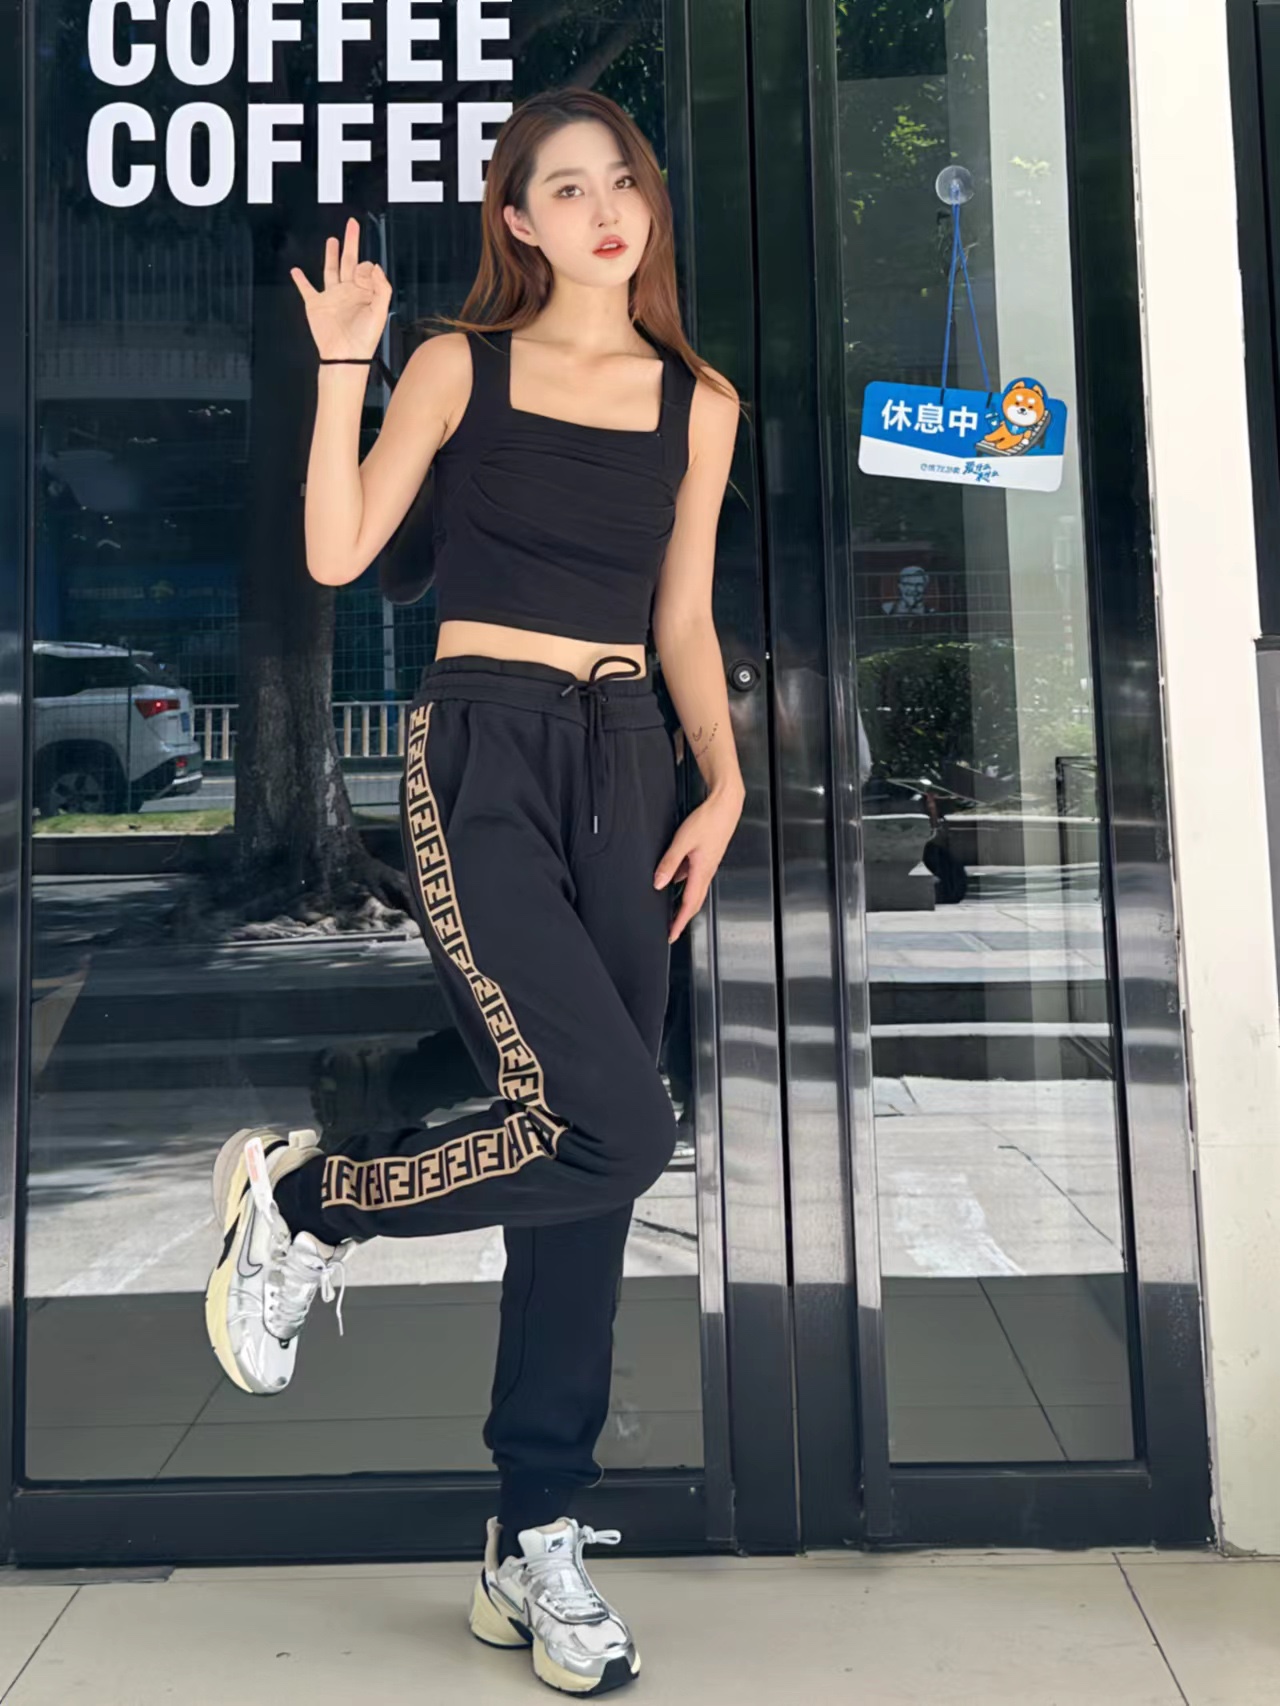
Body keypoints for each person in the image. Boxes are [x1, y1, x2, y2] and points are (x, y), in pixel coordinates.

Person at [202, 87, 743, 1698]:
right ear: (516, 220)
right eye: (565, 188)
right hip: (482, 755)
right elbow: (336, 549)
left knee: (589, 1172)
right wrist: (344, 365)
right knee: (620, 1123)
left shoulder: (698, 400)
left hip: (629, 761)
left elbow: (684, 616)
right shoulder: (459, 364)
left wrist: (722, 780)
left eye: (620, 182)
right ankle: (307, 1206)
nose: (604, 210)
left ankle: (536, 1534)